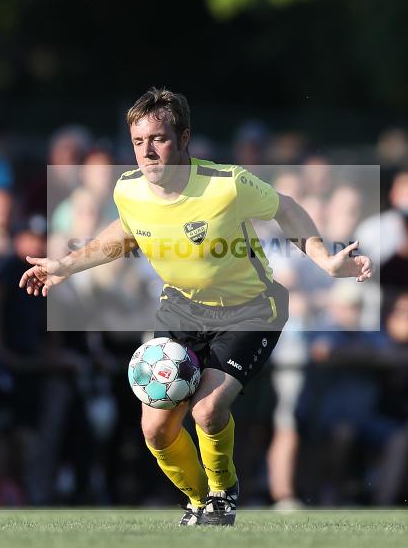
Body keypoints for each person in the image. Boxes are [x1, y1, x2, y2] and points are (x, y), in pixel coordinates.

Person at [19, 88, 372, 525]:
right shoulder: (128, 189)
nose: (147, 152)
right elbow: (125, 230)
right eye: (138, 142)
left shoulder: (227, 185)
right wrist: (66, 266)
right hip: (182, 309)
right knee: (155, 429)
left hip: (250, 309)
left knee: (207, 409)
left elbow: (287, 208)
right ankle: (199, 499)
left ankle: (223, 493)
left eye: (158, 139)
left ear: (184, 137)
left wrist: (325, 259)